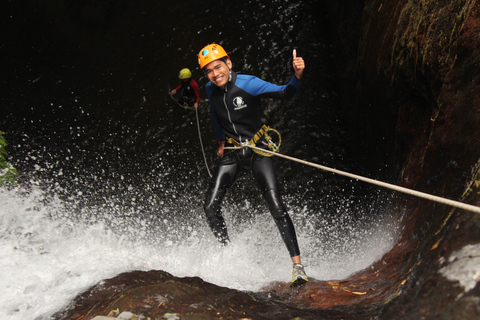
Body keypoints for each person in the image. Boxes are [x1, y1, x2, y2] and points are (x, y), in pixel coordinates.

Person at [197, 43, 308, 285]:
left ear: (228, 63)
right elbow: (215, 114)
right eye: (209, 71)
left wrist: (297, 76)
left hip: (258, 149)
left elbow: (286, 93)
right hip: (232, 152)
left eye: (218, 67)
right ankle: (230, 254)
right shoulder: (209, 89)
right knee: (210, 207)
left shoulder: (248, 84)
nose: (215, 74)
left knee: (276, 206)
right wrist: (219, 141)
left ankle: (298, 267)